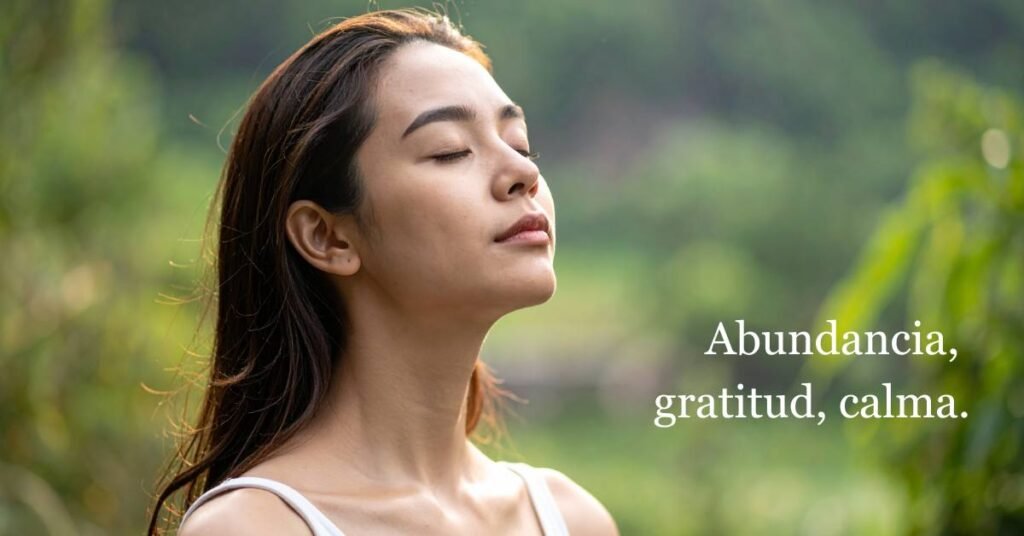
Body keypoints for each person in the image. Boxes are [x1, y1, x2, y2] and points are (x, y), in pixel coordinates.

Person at [147, 7, 620, 535]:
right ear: (327, 236)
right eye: (451, 151)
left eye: (519, 143)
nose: (524, 173)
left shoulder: (570, 518)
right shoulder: (254, 527)